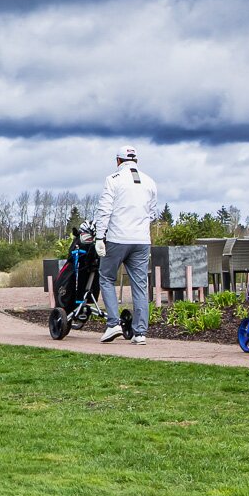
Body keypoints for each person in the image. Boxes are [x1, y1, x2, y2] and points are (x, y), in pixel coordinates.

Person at [96, 145, 159, 346]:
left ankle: (113, 323)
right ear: (136, 160)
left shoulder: (112, 180)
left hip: (117, 238)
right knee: (140, 285)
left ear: (118, 161)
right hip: (141, 240)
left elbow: (104, 210)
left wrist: (99, 237)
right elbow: (153, 213)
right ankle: (140, 333)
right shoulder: (149, 181)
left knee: (106, 277)